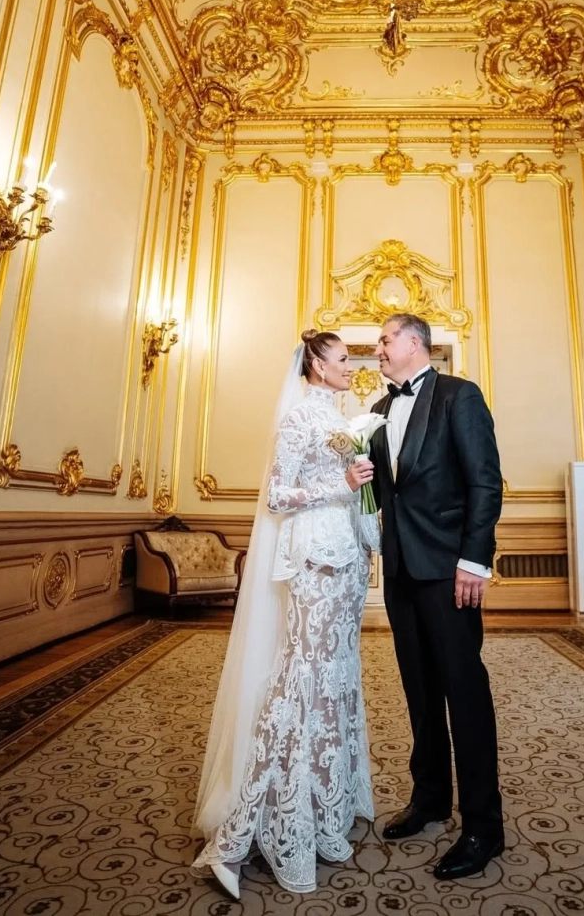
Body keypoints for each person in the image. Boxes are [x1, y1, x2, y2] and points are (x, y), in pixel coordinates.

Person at [191, 330, 377, 897]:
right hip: (314, 560)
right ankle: (241, 834)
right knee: (302, 678)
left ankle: (322, 808)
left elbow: (356, 493)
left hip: (348, 561)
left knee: (335, 679)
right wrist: (340, 481)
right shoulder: (298, 418)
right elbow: (277, 495)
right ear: (317, 365)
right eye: (342, 359)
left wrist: (367, 517)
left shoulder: (342, 418)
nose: (351, 367)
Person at [370, 312, 505, 880]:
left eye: (385, 339)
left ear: (413, 343)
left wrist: (474, 560)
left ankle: (483, 827)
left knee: (463, 692)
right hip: (401, 570)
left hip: (451, 571)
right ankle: (429, 798)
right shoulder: (378, 410)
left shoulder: (459, 395)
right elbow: (385, 494)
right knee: (419, 691)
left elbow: (485, 481)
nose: (378, 348)